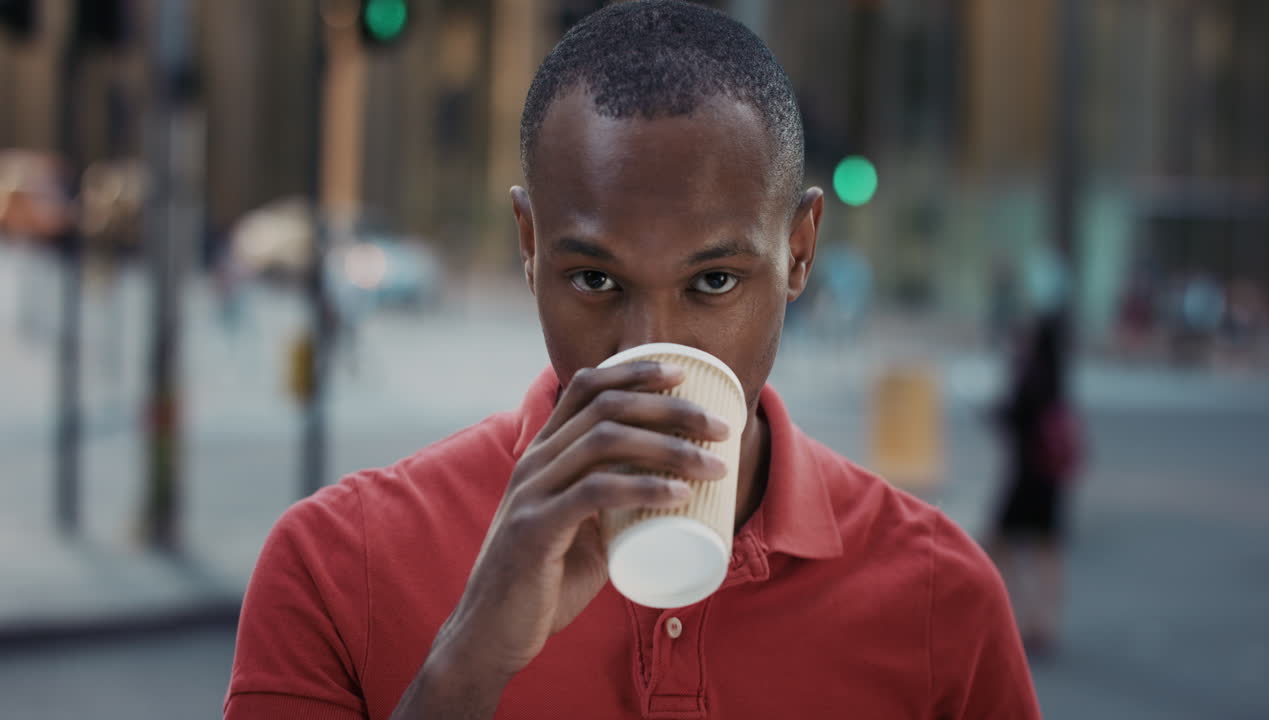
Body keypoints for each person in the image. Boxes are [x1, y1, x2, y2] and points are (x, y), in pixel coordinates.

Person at [225, 3, 1040, 718]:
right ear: (529, 245)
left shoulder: (941, 601)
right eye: (595, 279)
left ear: (799, 250)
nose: (647, 349)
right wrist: (468, 659)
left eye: (713, 281)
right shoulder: (335, 567)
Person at [987, 308, 1079, 657]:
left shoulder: (1031, 374)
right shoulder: (1057, 374)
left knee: (998, 544)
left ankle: (1017, 613)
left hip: (1027, 477)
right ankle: (1044, 619)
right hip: (1050, 478)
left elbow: (1015, 418)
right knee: (1046, 548)